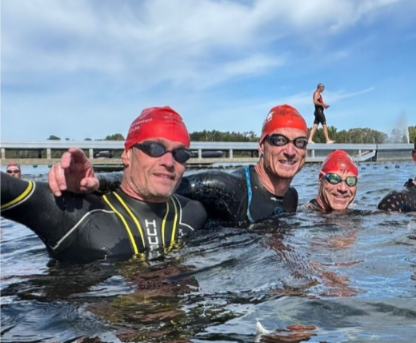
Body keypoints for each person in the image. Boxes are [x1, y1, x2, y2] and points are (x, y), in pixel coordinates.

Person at [1, 106, 207, 263]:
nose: (169, 162)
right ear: (126, 155)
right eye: (154, 148)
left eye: (181, 154)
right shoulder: (74, 213)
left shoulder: (195, 213)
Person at [50, 104, 308, 226]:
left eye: (299, 142)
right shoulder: (226, 187)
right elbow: (156, 182)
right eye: (279, 140)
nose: (289, 150)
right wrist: (96, 183)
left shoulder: (292, 199)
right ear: (261, 146)